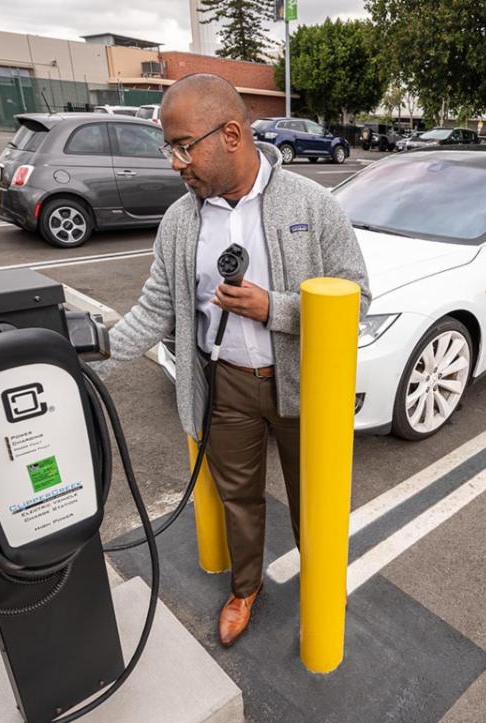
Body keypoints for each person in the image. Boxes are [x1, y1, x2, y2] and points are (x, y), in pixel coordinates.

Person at [95, 74, 370, 647]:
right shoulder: (180, 222)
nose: (176, 163)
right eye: (168, 148)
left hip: (304, 385)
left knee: (314, 498)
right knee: (238, 499)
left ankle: (322, 582)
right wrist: (86, 367)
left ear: (230, 134)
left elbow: (357, 297)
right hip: (226, 386)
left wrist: (275, 308)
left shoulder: (313, 205)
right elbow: (155, 311)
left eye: (183, 146)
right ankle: (245, 589)